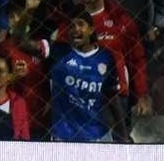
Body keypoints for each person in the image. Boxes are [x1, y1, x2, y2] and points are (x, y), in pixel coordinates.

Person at [28, 11, 121, 143]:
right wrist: (28, 12)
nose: (75, 29)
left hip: (97, 135)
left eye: (80, 24)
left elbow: (112, 95)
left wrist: (122, 131)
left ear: (91, 30)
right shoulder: (58, 52)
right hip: (63, 135)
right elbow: (25, 44)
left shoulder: (106, 57)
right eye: (71, 26)